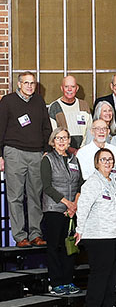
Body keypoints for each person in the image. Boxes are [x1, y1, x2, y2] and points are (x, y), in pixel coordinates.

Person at [0, 71, 52, 247]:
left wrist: (46, 150)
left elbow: (46, 127)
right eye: (26, 83)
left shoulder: (39, 101)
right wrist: (0, 155)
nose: (30, 86)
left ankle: (36, 234)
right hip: (14, 152)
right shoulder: (7, 102)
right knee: (15, 196)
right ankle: (20, 236)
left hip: (36, 153)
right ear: (19, 84)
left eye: (33, 83)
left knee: (35, 195)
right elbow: (0, 128)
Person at [75, 148, 116, 307]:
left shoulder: (112, 181)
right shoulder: (91, 183)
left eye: (110, 160)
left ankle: (107, 304)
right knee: (100, 272)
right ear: (97, 163)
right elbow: (82, 208)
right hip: (98, 236)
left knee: (113, 271)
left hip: (115, 234)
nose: (108, 163)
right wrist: (79, 230)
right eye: (104, 160)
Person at [40, 128, 83, 295]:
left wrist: (75, 205)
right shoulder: (48, 159)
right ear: (53, 141)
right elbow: (47, 187)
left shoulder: (74, 159)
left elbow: (80, 183)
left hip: (72, 210)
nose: (61, 141)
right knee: (54, 247)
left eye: (64, 138)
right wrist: (67, 203)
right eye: (58, 138)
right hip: (54, 209)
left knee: (70, 247)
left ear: (69, 140)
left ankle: (68, 281)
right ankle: (56, 282)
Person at [48, 76, 93, 148]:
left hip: (84, 149)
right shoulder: (55, 107)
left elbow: (90, 130)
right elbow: (54, 133)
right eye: (66, 87)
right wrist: (69, 149)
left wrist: (83, 149)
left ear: (77, 88)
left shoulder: (84, 105)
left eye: (72, 86)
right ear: (62, 88)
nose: (69, 89)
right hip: (63, 150)